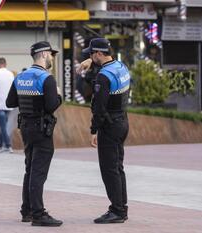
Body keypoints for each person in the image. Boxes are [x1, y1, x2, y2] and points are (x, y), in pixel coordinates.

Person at [6, 41, 63, 227]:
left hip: (26, 128)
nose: (52, 58)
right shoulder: (46, 78)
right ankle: (39, 214)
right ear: (44, 54)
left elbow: (10, 102)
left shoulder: (21, 76)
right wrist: (59, 95)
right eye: (51, 54)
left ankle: (27, 211)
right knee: (38, 172)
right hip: (41, 129)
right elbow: (51, 106)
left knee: (30, 169)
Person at [77, 38, 130, 224]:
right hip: (123, 121)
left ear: (99, 53)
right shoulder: (121, 66)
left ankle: (116, 211)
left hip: (110, 125)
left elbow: (99, 107)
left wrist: (94, 130)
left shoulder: (103, 77)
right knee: (118, 167)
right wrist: (91, 62)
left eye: (91, 54)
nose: (90, 56)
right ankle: (122, 207)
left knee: (109, 169)